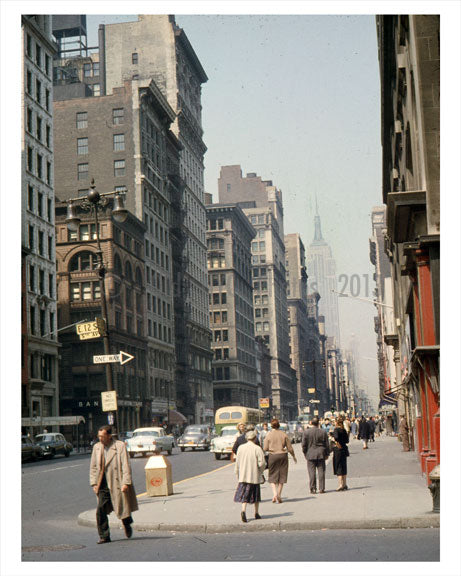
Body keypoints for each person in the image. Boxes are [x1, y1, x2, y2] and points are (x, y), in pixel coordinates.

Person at [89, 425, 138, 544]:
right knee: (100, 510)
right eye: (98, 436)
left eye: (102, 436)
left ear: (109, 436)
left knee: (121, 507)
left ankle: (127, 523)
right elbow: (93, 466)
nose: (100, 439)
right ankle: (104, 536)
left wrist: (126, 482)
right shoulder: (97, 447)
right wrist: (94, 483)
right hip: (102, 483)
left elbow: (125, 465)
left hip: (116, 481)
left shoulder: (119, 446)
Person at [234, 430, 266, 522]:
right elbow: (262, 463)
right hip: (254, 475)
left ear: (246, 438)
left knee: (245, 494)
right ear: (255, 438)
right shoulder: (257, 448)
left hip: (243, 475)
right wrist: (261, 471)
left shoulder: (241, 448)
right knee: (255, 494)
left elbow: (237, 462)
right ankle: (256, 513)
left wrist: (237, 473)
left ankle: (243, 510)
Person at [263, 418, 297, 503]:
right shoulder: (283, 434)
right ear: (279, 425)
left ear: (271, 425)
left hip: (272, 456)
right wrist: (293, 456)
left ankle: (274, 493)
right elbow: (289, 448)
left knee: (272, 475)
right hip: (283, 456)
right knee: (282, 475)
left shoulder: (269, 435)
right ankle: (279, 494)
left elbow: (265, 448)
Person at [301, 417, 330, 494]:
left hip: (310, 454)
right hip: (321, 453)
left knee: (311, 472)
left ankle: (313, 488)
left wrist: (305, 453)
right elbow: (327, 444)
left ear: (311, 423)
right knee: (321, 471)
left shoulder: (306, 432)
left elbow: (303, 445)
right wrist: (327, 453)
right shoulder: (323, 432)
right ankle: (321, 488)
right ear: (318, 423)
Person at [332, 417, 350, 491]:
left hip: (338, 450)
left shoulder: (336, 430)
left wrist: (333, 438)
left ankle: (340, 485)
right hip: (344, 449)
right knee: (344, 466)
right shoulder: (344, 430)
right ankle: (345, 484)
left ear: (336, 423)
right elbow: (347, 440)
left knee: (338, 466)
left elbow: (336, 437)